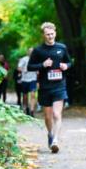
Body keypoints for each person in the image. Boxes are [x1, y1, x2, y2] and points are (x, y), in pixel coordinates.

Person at [27, 22, 71, 152]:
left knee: (57, 114)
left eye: (52, 34)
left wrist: (66, 66)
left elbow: (69, 62)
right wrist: (43, 64)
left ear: (55, 33)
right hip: (45, 87)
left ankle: (55, 140)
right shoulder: (38, 50)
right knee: (48, 117)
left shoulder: (62, 48)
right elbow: (30, 67)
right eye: (47, 35)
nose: (50, 36)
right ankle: (50, 134)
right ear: (43, 35)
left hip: (59, 85)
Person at [16, 52, 37, 116]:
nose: (31, 52)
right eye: (30, 51)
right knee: (25, 96)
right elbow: (18, 68)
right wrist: (24, 69)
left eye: (32, 51)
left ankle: (32, 110)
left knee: (33, 94)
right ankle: (26, 107)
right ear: (28, 52)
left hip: (33, 79)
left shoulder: (36, 59)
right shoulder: (23, 59)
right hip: (25, 80)